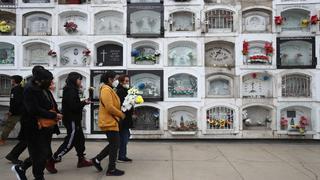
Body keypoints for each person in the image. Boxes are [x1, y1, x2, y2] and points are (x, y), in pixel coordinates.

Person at [12, 69, 63, 180]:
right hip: (33, 127)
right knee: (39, 155)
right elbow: (33, 109)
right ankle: (38, 176)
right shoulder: (29, 90)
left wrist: (57, 113)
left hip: (45, 126)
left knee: (43, 154)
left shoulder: (42, 88)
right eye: (49, 80)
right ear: (40, 80)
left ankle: (22, 168)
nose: (51, 82)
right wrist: (53, 115)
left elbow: (50, 103)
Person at [46, 72, 92, 174]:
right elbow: (74, 107)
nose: (80, 82)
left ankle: (81, 160)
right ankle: (52, 160)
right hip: (72, 120)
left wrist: (83, 101)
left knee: (80, 140)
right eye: (79, 79)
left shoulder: (72, 89)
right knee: (70, 142)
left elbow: (74, 104)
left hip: (75, 119)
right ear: (74, 80)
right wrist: (84, 102)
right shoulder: (70, 90)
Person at [91, 71, 126, 176]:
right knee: (115, 144)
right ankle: (111, 169)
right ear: (110, 79)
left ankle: (97, 159)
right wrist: (121, 114)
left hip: (111, 121)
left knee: (114, 144)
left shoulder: (109, 89)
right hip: (108, 121)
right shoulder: (106, 89)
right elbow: (109, 107)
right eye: (115, 79)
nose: (116, 81)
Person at [0, 75, 24, 146]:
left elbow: (15, 102)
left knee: (8, 126)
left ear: (14, 81)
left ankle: (2, 140)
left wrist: (11, 111)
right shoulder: (22, 88)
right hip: (22, 111)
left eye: (11, 80)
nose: (10, 81)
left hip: (16, 112)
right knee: (24, 126)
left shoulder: (15, 89)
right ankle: (23, 139)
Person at [116, 75, 133, 162]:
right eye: (126, 81)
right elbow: (123, 104)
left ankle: (121, 155)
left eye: (128, 81)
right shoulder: (120, 91)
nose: (127, 83)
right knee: (124, 137)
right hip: (123, 118)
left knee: (125, 136)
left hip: (126, 117)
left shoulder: (125, 90)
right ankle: (121, 156)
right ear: (121, 82)